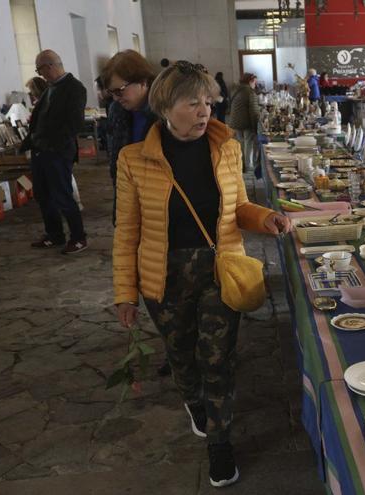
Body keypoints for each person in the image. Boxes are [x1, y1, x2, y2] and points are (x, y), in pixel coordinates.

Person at [113, 60, 291, 488]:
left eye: (208, 102)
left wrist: (265, 218)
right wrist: (125, 292)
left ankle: (219, 442)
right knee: (182, 358)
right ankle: (194, 403)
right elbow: (127, 231)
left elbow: (239, 209)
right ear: (164, 106)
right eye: (192, 103)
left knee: (218, 360)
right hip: (164, 276)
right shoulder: (134, 160)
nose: (204, 111)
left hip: (219, 268)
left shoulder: (226, 148)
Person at [22, 49, 88, 254]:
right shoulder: (51, 88)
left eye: (40, 69)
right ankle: (54, 234)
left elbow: (74, 123)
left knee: (63, 195)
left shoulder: (74, 88)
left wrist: (53, 144)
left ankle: (78, 238)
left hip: (57, 152)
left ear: (50, 66)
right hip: (40, 150)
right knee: (43, 195)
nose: (40, 74)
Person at [102, 49, 158, 225]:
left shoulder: (166, 112)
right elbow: (116, 162)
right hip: (127, 194)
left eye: (119, 91)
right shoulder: (117, 111)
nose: (116, 98)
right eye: (111, 93)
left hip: (158, 200)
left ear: (143, 82)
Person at [227, 73, 261, 171]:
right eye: (254, 81)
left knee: (240, 144)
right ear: (250, 81)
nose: (255, 84)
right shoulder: (250, 92)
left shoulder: (236, 90)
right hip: (245, 123)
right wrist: (255, 127)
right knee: (248, 143)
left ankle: (240, 165)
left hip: (234, 121)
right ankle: (248, 166)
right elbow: (254, 111)